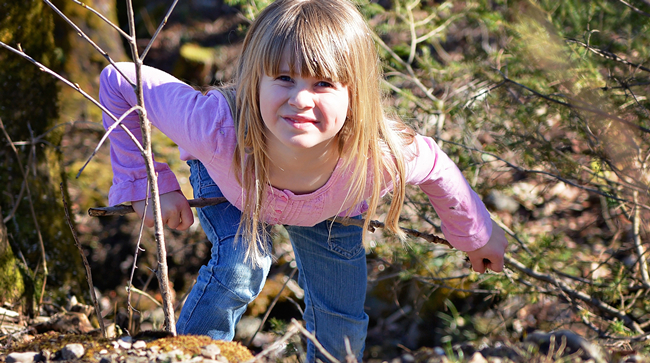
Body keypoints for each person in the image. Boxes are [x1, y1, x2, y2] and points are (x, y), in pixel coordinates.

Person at [100, 0, 508, 361]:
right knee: (243, 265)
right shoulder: (214, 127)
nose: (300, 99)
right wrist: (150, 183)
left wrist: (476, 234)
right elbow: (120, 80)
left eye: (324, 83)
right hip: (236, 178)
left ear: (355, 94)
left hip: (334, 203)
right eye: (283, 79)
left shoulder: (376, 157)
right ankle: (194, 355)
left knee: (342, 314)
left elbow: (437, 167)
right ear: (253, 81)